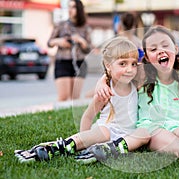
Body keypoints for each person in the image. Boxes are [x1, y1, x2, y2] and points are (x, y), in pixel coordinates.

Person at [77, 26, 179, 172]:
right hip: (153, 132)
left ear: (175, 49)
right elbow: (116, 72)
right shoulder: (142, 74)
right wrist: (102, 82)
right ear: (146, 56)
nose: (160, 50)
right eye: (153, 49)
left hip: (178, 128)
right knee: (168, 140)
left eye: (165, 45)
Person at [14, 37, 149, 163]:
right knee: (103, 133)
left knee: (143, 134)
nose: (129, 69)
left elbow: (145, 63)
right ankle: (56, 148)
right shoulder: (106, 91)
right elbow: (88, 116)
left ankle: (108, 149)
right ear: (108, 66)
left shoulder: (135, 85)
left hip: (127, 137)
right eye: (123, 64)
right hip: (106, 131)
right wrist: (84, 139)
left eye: (133, 64)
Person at [48, 0, 92, 101]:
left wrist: (81, 41)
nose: (70, 10)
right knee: (63, 97)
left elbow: (88, 49)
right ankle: (57, 116)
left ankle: (74, 117)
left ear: (79, 9)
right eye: (69, 7)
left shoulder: (85, 27)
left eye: (73, 7)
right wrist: (59, 41)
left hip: (79, 63)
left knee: (75, 98)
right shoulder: (61, 25)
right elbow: (49, 43)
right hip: (62, 61)